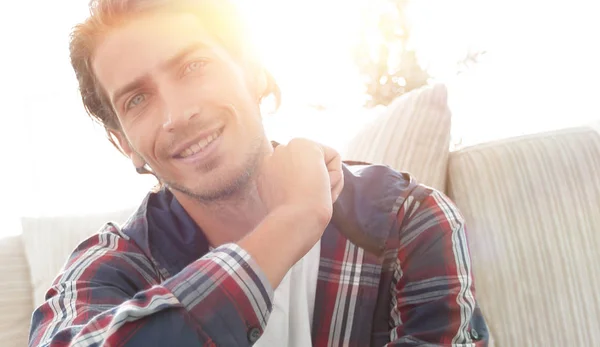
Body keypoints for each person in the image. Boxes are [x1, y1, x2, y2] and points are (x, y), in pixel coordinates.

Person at [29, 0, 489, 346]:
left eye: (193, 66)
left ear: (252, 71)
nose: (177, 114)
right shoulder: (109, 267)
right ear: (124, 143)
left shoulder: (407, 222)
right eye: (137, 99)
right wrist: (290, 224)